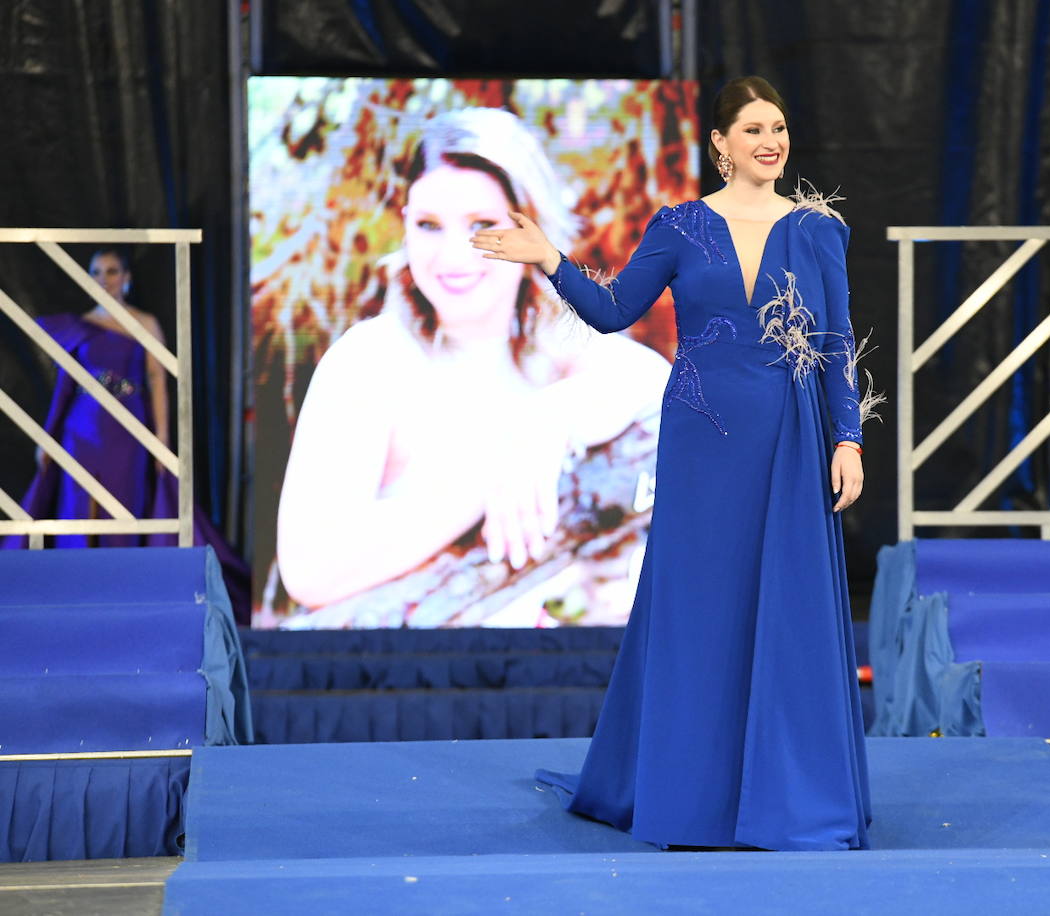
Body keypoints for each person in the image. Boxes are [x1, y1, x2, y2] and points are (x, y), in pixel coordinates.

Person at [479, 77, 876, 850]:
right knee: (700, 613)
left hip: (792, 443)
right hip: (702, 444)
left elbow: (835, 347)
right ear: (720, 144)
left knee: (787, 611)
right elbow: (612, 311)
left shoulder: (817, 231)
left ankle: (792, 802)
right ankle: (692, 801)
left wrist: (848, 439)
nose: (772, 140)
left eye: (781, 126)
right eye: (754, 127)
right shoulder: (681, 227)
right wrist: (549, 259)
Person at [274, 108, 671, 628]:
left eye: (483, 227)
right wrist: (491, 471)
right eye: (429, 225)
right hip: (411, 684)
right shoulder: (370, 359)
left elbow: (657, 385)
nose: (453, 255)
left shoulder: (555, 342)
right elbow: (309, 570)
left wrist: (548, 420)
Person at [4, 249, 252, 621]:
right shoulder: (80, 325)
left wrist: (162, 441)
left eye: (112, 271)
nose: (105, 278)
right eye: (97, 272)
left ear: (127, 277)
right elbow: (64, 389)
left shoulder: (145, 324)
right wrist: (47, 439)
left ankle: (119, 601)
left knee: (124, 511)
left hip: (129, 433)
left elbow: (157, 381)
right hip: (81, 432)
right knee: (78, 516)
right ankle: (77, 601)